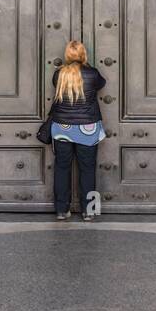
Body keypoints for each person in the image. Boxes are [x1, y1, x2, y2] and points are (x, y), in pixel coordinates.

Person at [49, 41, 106, 220]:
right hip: (87, 127)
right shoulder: (93, 74)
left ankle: (61, 210)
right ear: (83, 55)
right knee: (88, 169)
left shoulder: (59, 75)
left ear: (67, 55)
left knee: (62, 168)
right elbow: (101, 84)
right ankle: (89, 211)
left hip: (62, 127)